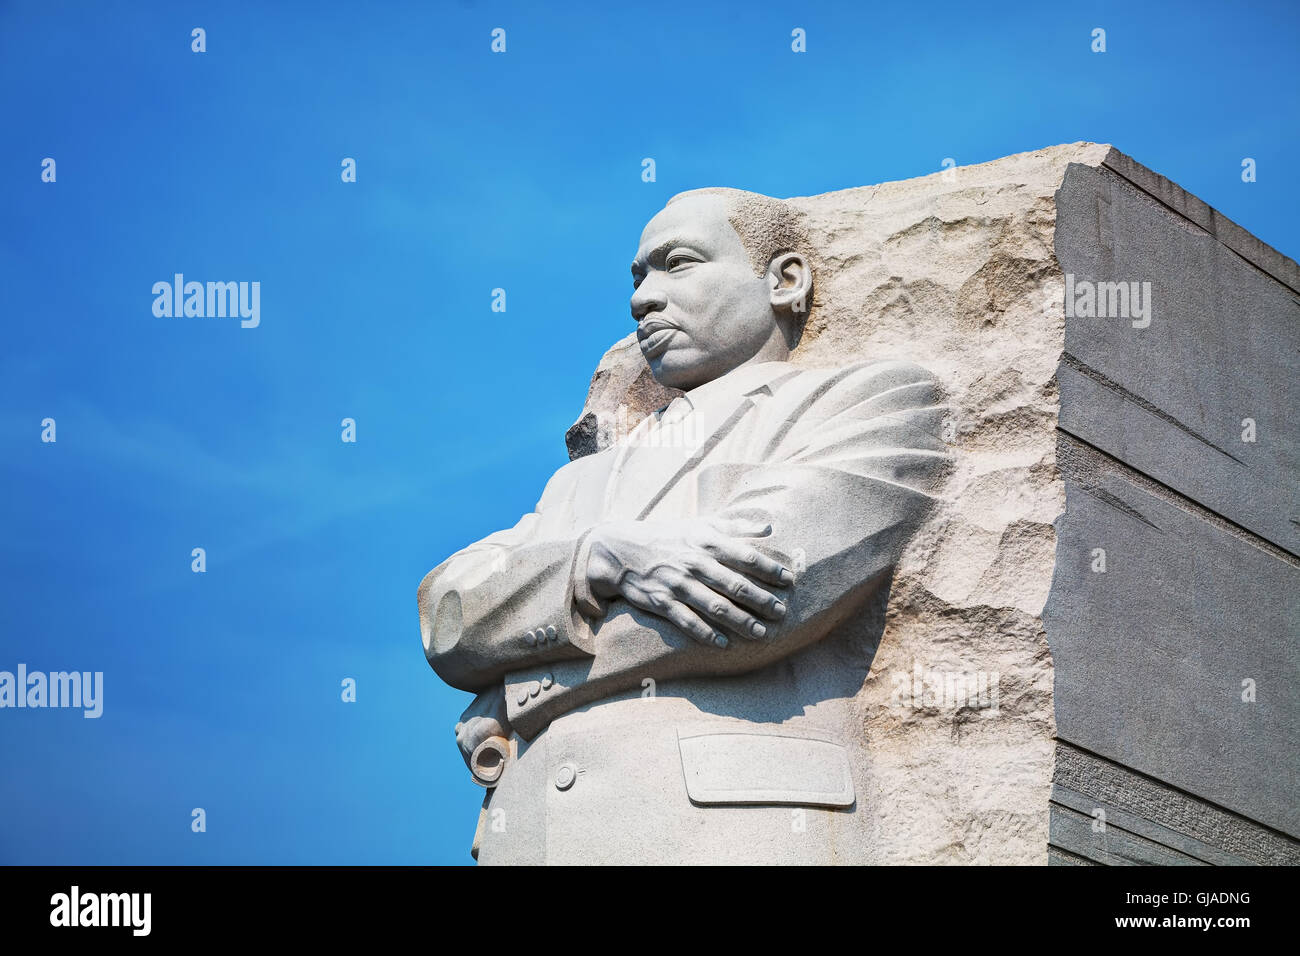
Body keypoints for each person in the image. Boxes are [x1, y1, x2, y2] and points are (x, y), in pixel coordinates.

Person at [418, 187, 950, 863]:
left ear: (785, 281)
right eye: (637, 278)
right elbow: (449, 612)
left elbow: (755, 598)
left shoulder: (870, 402)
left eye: (678, 264)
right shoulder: (577, 482)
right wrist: (594, 561)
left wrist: (512, 685)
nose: (643, 298)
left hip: (729, 827)